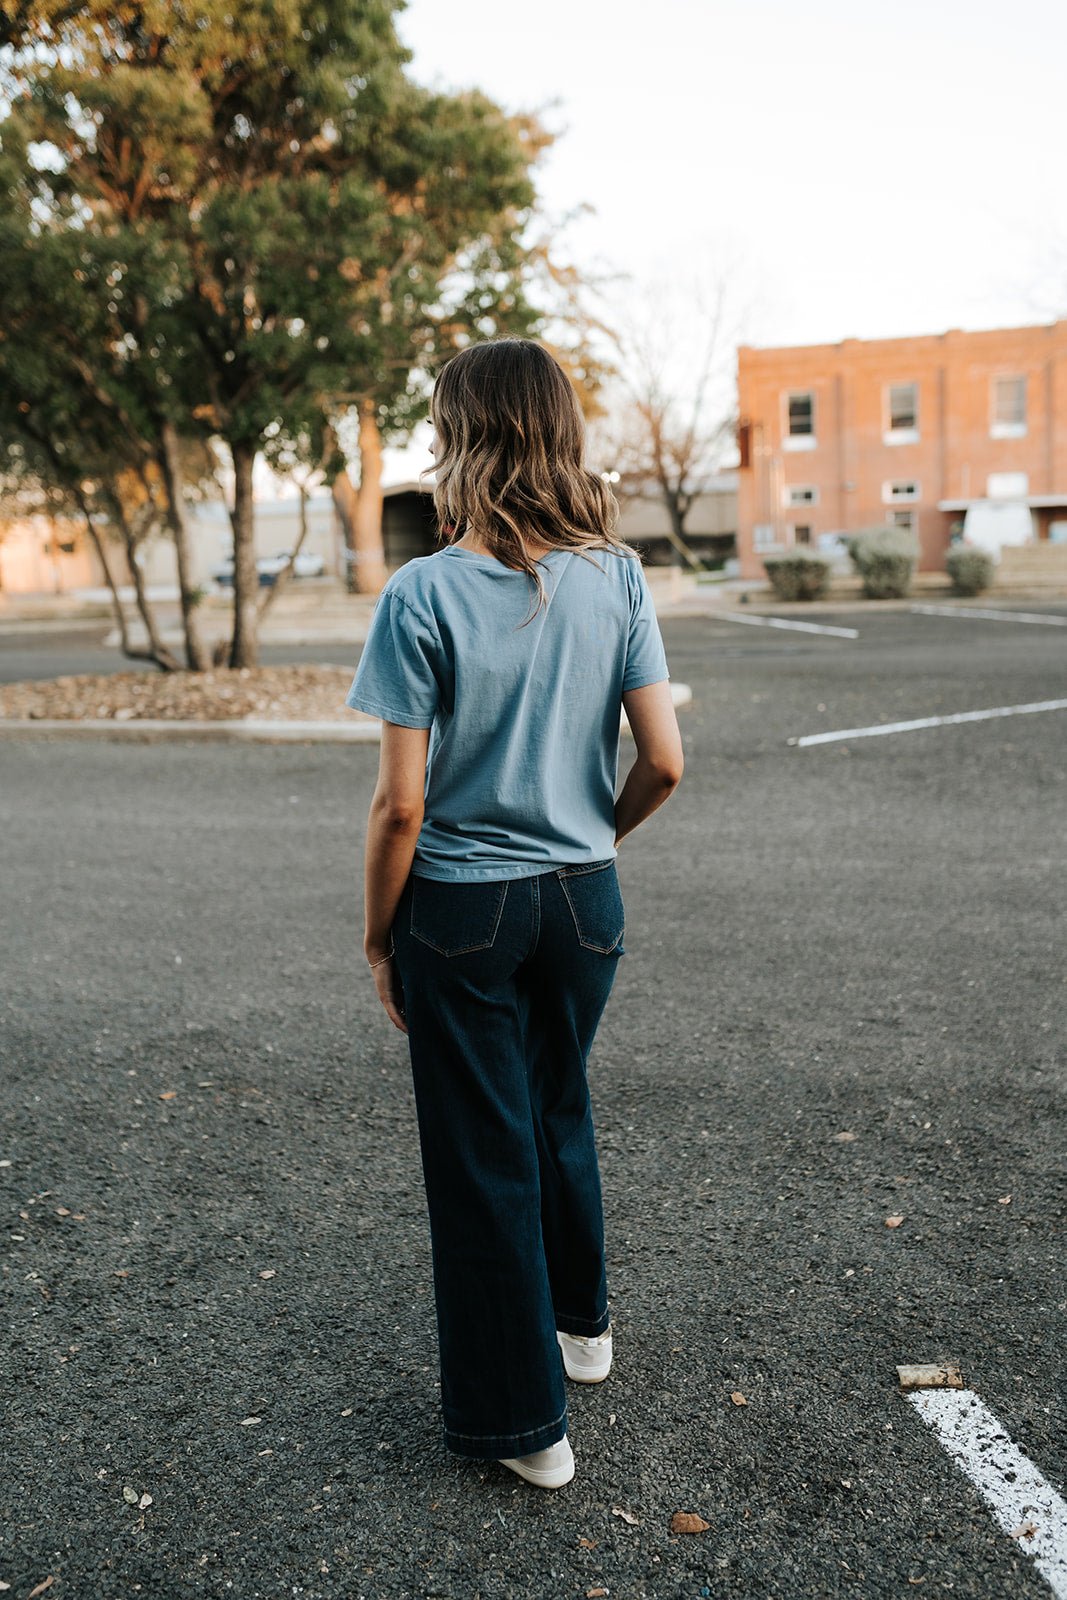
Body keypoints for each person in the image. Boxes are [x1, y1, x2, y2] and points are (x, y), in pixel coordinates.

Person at [345, 338, 683, 1490]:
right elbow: (667, 761)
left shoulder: (421, 591)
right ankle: (580, 1328)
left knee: (480, 1152)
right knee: (556, 1101)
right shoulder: (619, 576)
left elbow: (400, 806)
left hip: (462, 908)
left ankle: (523, 1422)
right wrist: (591, 840)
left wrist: (377, 937)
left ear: (461, 437)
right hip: (584, 898)